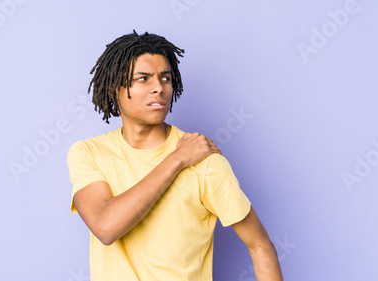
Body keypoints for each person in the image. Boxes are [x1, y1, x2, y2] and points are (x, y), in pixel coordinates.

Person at [67, 30, 283, 280]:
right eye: (143, 79)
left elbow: (261, 246)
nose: (159, 88)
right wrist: (177, 159)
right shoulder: (89, 153)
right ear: (115, 88)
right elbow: (105, 227)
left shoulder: (206, 162)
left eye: (166, 78)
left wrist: (185, 157)